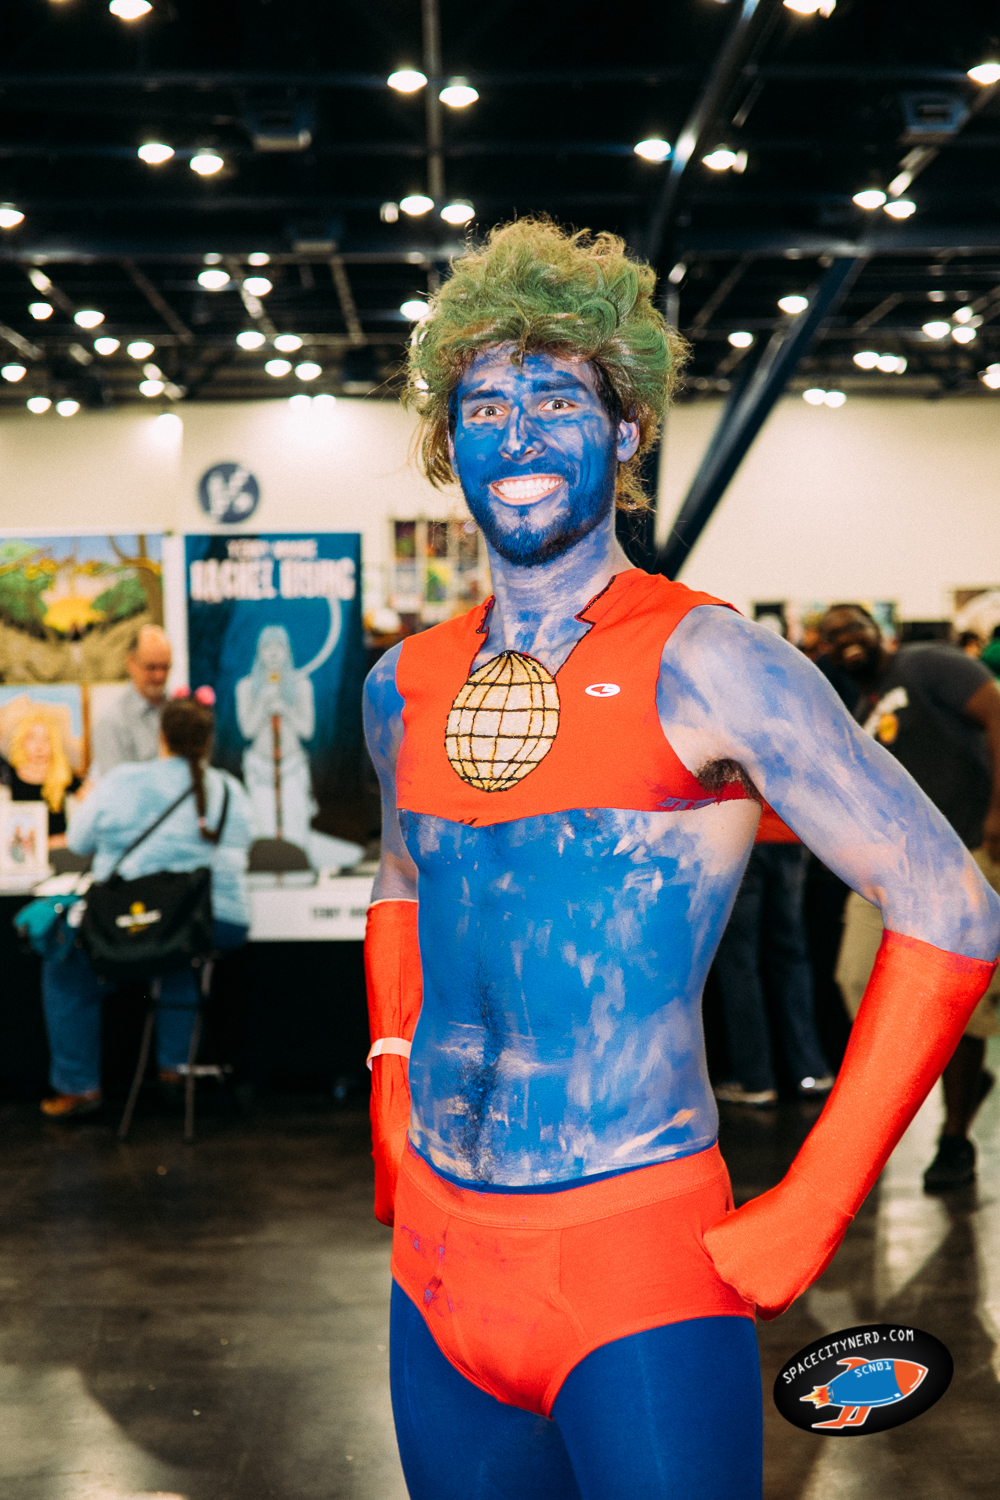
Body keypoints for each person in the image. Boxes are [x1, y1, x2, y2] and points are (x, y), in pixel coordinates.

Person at [363, 219, 999, 1500]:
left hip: (630, 1257)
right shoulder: (403, 684)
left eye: (558, 400)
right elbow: (404, 877)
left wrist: (819, 1194)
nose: (518, 435)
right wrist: (387, 1074)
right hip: (434, 1263)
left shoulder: (710, 661)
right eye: (484, 407)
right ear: (448, 443)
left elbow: (951, 904)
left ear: (626, 430)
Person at [822, 603, 1000, 1191]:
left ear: (880, 632)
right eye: (833, 635)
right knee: (855, 978)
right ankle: (956, 1076)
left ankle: (955, 1134)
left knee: (960, 997)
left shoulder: (927, 664)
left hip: (964, 852)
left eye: (855, 626)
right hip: (890, 872)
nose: (847, 639)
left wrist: (999, 812)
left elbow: (997, 712)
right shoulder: (859, 710)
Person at [40, 694, 253, 1119]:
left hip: (132, 922)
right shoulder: (229, 789)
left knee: (66, 968)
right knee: (180, 956)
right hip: (216, 921)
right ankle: (175, 1070)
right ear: (208, 741)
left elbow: (78, 842)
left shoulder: (122, 781)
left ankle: (79, 1087)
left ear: (162, 736)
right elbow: (243, 846)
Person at [712, 802, 833, 1107]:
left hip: (739, 834)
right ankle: (811, 1072)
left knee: (739, 964)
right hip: (790, 834)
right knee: (790, 955)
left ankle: (756, 1081)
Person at [91, 624, 172, 776]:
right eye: (151, 667)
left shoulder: (178, 712)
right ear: (130, 663)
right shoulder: (111, 721)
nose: (159, 676)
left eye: (165, 667)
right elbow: (114, 783)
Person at [6, 710, 82, 847]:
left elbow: (95, 805)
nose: (39, 746)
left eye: (46, 739)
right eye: (32, 738)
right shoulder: (8, 775)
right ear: (21, 741)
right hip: (20, 852)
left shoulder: (64, 774)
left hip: (58, 851)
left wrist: (67, 839)